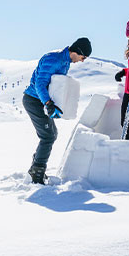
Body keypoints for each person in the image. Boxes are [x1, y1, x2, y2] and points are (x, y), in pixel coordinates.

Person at [22, 37, 92, 184]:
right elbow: (40, 84)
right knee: (47, 136)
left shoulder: (66, 63)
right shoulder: (53, 59)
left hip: (43, 101)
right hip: (34, 100)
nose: (82, 60)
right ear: (77, 51)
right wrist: (48, 103)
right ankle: (37, 172)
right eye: (83, 57)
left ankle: (35, 168)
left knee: (52, 134)